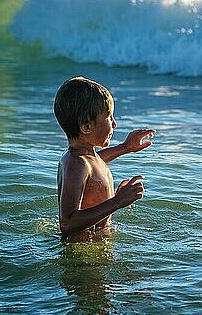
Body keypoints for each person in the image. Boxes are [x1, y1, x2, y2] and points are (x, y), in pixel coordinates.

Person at [53, 76, 155, 242]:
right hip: (83, 253)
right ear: (86, 126)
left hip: (95, 244)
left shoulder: (85, 158)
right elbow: (67, 224)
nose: (114, 124)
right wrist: (117, 201)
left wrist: (125, 147)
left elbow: (96, 163)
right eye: (109, 117)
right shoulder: (75, 164)